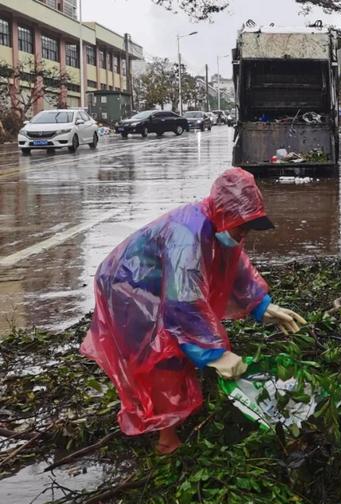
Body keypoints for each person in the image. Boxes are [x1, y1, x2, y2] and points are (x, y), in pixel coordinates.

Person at [80, 168, 307, 454]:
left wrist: (262, 304)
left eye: (247, 227)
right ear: (225, 214)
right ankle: (166, 437)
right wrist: (214, 354)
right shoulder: (187, 234)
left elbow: (234, 265)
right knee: (160, 351)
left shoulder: (219, 226)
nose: (243, 234)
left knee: (180, 344)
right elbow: (183, 303)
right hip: (127, 285)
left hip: (156, 283)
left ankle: (180, 410)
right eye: (241, 226)